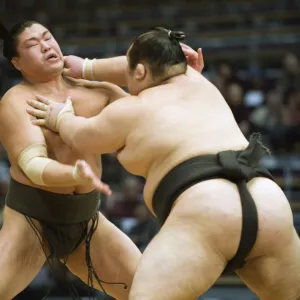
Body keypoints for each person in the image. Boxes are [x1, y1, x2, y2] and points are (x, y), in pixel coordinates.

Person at [28, 27, 300, 300]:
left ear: (141, 72)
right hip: (268, 202)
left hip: (207, 210)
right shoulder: (198, 81)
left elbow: (82, 136)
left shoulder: (130, 110)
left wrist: (60, 118)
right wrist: (87, 67)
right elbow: (141, 63)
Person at [0, 20, 143, 300]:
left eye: (47, 37)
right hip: (32, 221)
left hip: (87, 221)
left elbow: (146, 104)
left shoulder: (95, 89)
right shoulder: (16, 101)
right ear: (17, 62)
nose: (45, 46)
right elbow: (33, 166)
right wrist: (73, 175)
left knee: (151, 290)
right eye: (32, 45)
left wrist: (91, 67)